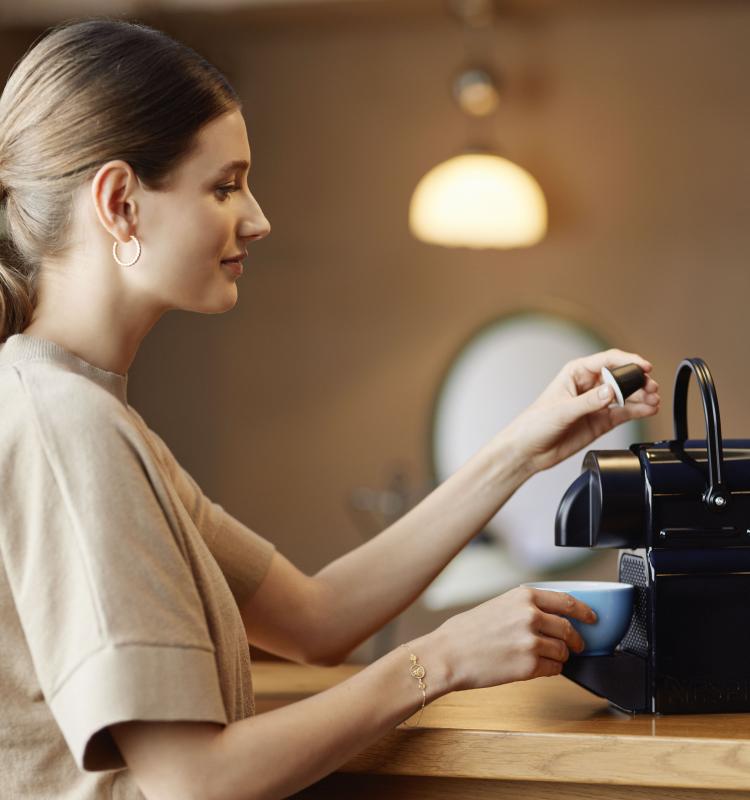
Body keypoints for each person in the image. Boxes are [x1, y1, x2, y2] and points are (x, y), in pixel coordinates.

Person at [0, 18, 660, 800]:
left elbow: (317, 618)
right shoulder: (69, 430)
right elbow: (193, 781)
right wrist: (440, 660)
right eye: (224, 185)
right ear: (119, 202)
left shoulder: (82, 415)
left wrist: (522, 445)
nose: (257, 218)